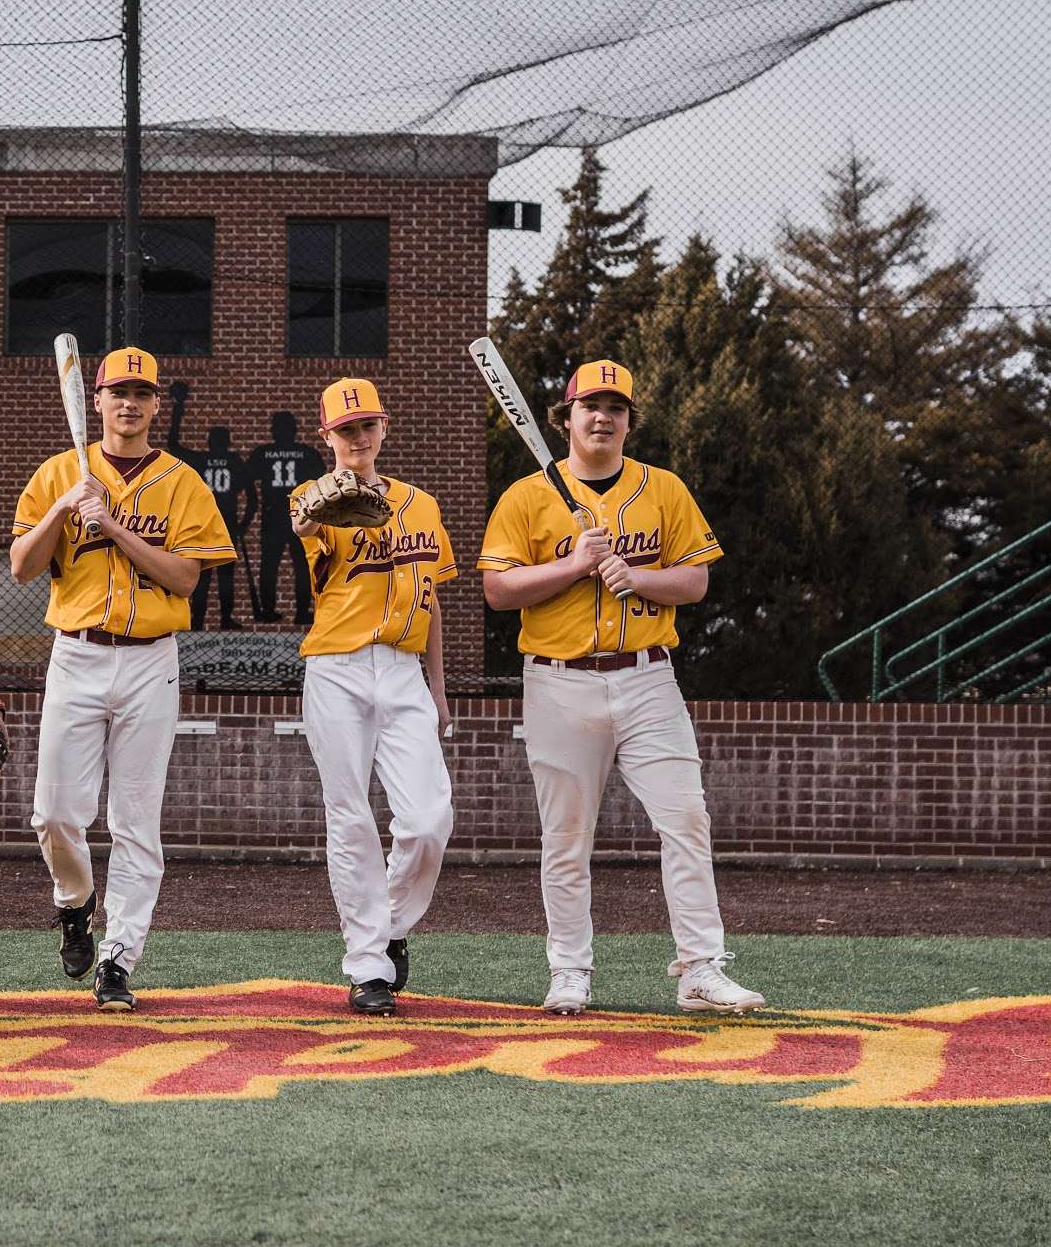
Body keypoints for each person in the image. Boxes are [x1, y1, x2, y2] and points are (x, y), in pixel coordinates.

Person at [476, 358, 765, 1016]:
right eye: (589, 406)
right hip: (558, 683)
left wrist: (638, 577)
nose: (602, 417)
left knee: (687, 816)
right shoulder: (527, 496)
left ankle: (700, 968)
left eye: (615, 408)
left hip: (648, 677)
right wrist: (577, 565)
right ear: (567, 418)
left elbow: (694, 581)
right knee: (567, 836)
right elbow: (497, 589)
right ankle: (570, 971)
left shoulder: (662, 489)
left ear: (630, 421)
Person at [8, 346, 237, 1010]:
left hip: (150, 659)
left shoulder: (181, 481)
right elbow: (21, 567)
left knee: (135, 822)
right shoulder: (58, 473)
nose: (129, 403)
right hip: (75, 654)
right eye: (117, 392)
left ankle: (118, 959)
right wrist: (63, 511)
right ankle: (74, 902)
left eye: (142, 393)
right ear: (98, 401)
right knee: (54, 815)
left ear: (157, 404)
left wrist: (110, 526)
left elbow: (186, 577)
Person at [289, 377, 457, 1016]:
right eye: (344, 429)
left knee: (428, 819)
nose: (358, 438)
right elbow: (304, 520)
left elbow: (432, 599)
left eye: (367, 426)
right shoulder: (314, 495)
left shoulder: (422, 505)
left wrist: (437, 689)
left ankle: (387, 927)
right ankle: (367, 967)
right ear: (326, 436)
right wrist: (329, 500)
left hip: (405, 669)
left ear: (384, 429)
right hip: (336, 667)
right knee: (351, 814)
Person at [160, 382, 248, 630]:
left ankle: (202, 620)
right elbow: (250, 494)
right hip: (222, 523)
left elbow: (174, 444)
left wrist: (178, 408)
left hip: (209, 523)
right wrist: (244, 522)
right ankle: (213, 619)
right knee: (222, 577)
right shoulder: (234, 460)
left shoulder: (202, 459)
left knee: (207, 576)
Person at [248, 409, 327, 624]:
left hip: (272, 518)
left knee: (269, 566)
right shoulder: (308, 453)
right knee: (301, 566)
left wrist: (252, 507)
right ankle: (302, 612)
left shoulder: (262, 453)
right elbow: (322, 484)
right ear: (294, 430)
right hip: (300, 517)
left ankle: (268, 611)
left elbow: (246, 481)